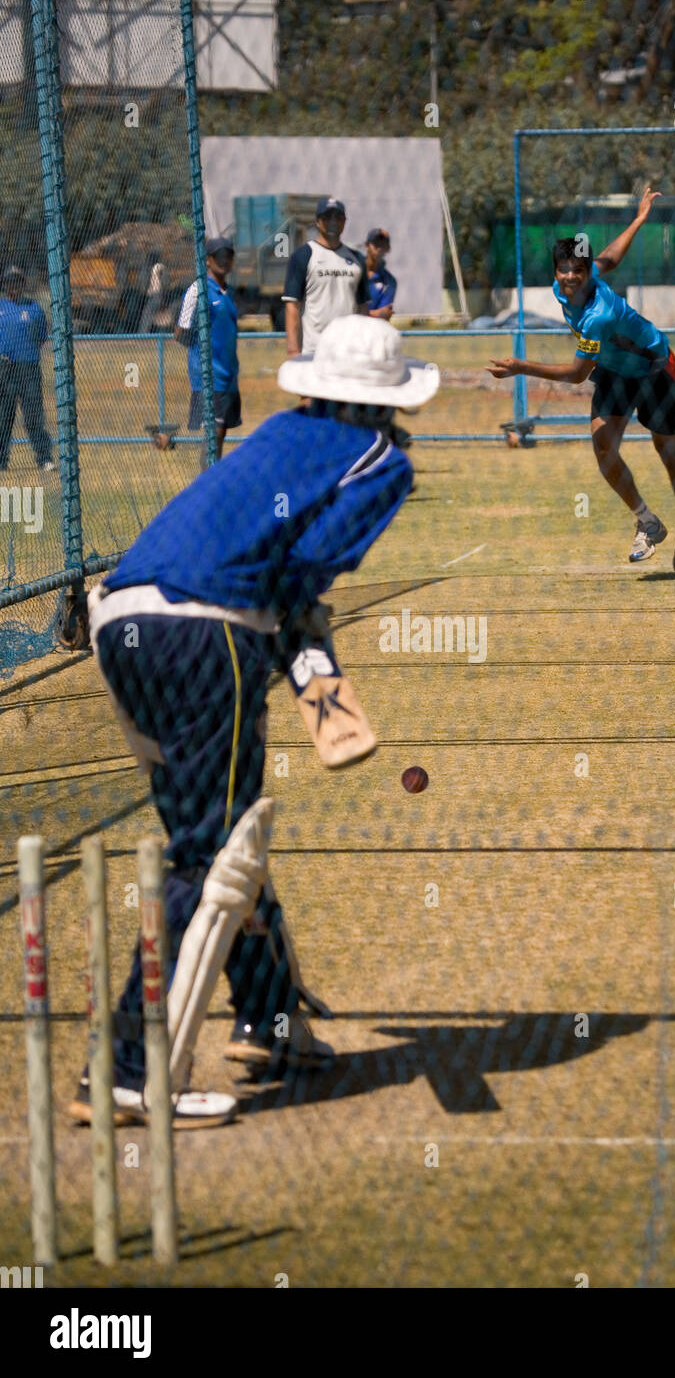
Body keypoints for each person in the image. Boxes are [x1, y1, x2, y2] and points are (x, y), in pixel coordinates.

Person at [75, 315, 439, 1128]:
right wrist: (304, 653)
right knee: (212, 857)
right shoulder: (382, 459)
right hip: (205, 631)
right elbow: (302, 570)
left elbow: (270, 560)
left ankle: (270, 1021)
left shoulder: (281, 432)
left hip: (120, 618)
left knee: (227, 833)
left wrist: (298, 640)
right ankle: (130, 1072)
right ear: (385, 402)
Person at [486, 188, 675, 573]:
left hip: (654, 368)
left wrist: (521, 367)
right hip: (616, 372)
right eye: (563, 270)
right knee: (604, 446)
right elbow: (611, 257)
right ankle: (647, 522)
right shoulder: (564, 286)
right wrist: (638, 219)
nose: (570, 277)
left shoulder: (598, 315)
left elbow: (576, 374)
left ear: (586, 275)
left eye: (578, 271)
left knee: (667, 451)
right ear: (556, 271)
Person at [175, 238, 240, 470]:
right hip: (208, 374)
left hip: (228, 374)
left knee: (220, 434)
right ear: (208, 260)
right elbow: (180, 332)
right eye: (218, 256)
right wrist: (201, 353)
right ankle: (207, 485)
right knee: (215, 431)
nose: (224, 260)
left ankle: (212, 481)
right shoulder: (198, 290)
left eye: (228, 255)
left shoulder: (229, 291)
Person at [283, 197, 369, 357]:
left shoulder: (357, 259)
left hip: (349, 350)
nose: (333, 222)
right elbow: (292, 307)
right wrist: (293, 350)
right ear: (317, 221)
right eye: (327, 217)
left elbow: (363, 308)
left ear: (344, 221)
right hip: (314, 351)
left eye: (338, 217)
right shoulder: (303, 256)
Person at [0, 265, 54, 472]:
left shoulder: (34, 308)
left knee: (33, 415)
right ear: (4, 285)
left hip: (28, 369)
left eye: (17, 281)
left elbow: (41, 337)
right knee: (3, 417)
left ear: (22, 284)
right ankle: (1, 460)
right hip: (4, 369)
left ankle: (44, 458)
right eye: (9, 282)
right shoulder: (1, 307)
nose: (13, 286)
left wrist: (25, 353)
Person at [365, 228, 397, 321]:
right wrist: (374, 314)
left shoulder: (389, 282)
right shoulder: (354, 272)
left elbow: (383, 316)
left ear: (387, 249)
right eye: (376, 244)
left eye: (383, 245)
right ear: (367, 245)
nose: (379, 248)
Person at [138, 251, 168, 334]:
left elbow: (143, 283)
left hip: (156, 296)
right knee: (156, 317)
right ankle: (157, 334)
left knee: (147, 315)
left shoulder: (158, 267)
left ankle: (142, 335)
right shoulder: (159, 267)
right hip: (157, 296)